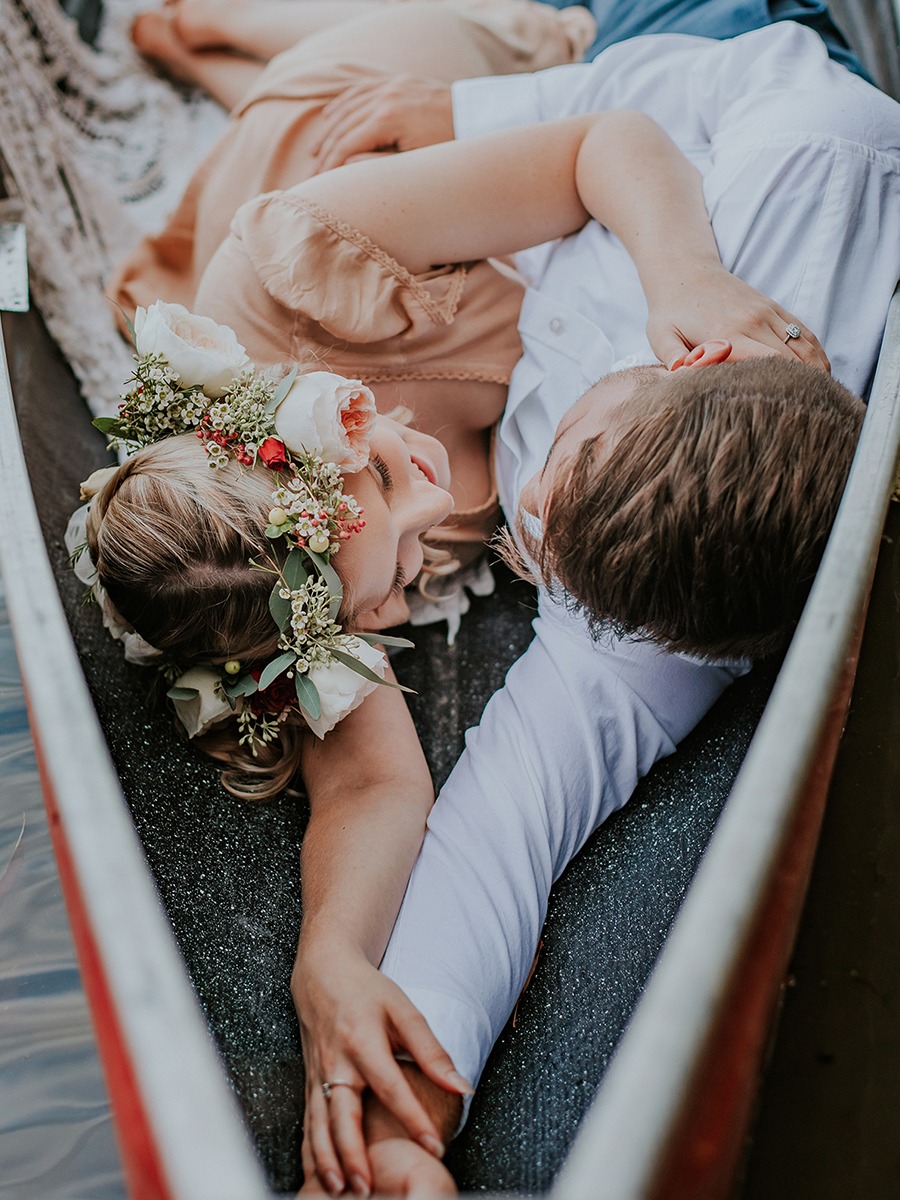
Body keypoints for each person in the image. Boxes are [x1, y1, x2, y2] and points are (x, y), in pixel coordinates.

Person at [270, 20, 900, 1198]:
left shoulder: (670, 627)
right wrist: (474, 124)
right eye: (568, 464)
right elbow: (632, 108)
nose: (524, 518)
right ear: (698, 357)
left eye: (541, 531)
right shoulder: (821, 149)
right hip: (681, 38)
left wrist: (401, 1118)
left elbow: (512, 818)